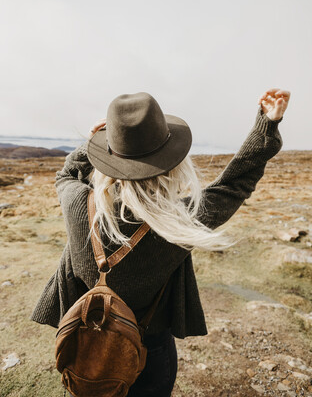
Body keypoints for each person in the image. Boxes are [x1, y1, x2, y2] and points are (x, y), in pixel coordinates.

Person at [31, 88, 290, 397]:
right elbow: (235, 184)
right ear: (171, 162)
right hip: (149, 349)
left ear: (108, 157)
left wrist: (91, 146)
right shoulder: (179, 222)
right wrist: (266, 124)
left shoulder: (76, 201)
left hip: (84, 340)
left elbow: (66, 175)